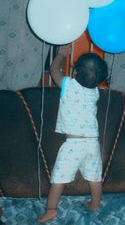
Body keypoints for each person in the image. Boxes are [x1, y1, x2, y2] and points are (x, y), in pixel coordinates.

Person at [37, 45, 108, 223]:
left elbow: (54, 70)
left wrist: (61, 54)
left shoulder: (69, 86)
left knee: (58, 179)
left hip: (73, 144)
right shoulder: (95, 93)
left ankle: (51, 209)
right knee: (95, 178)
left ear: (76, 71)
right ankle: (95, 204)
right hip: (92, 143)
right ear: (100, 79)